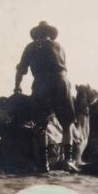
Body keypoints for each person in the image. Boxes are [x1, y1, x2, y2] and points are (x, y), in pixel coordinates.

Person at [14, 21, 78, 172]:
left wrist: (17, 87)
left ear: (37, 34)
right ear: (50, 34)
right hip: (62, 82)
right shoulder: (59, 46)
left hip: (42, 83)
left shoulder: (31, 46)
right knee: (67, 124)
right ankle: (68, 161)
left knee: (40, 125)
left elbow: (20, 70)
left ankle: (44, 165)